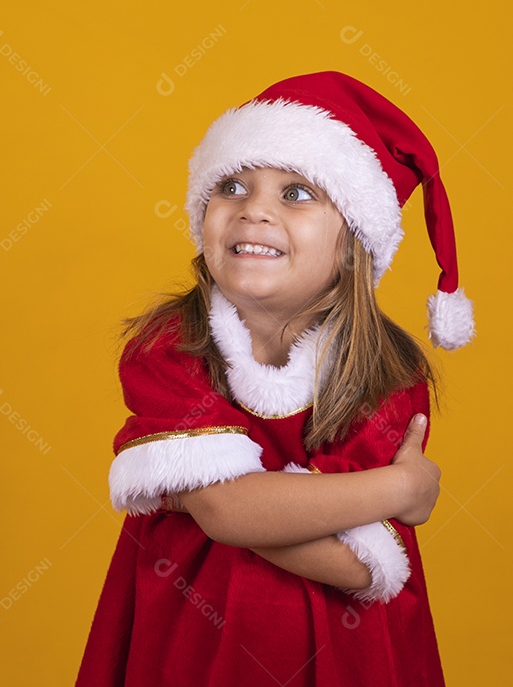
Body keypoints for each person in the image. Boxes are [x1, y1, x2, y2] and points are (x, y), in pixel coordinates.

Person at [75, 71, 476, 686]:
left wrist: (214, 497)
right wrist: (400, 489)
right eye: (232, 186)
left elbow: (355, 564)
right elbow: (228, 510)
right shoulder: (170, 347)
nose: (255, 210)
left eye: (296, 193)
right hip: (186, 648)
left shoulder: (388, 375)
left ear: (353, 243)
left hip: (348, 659)